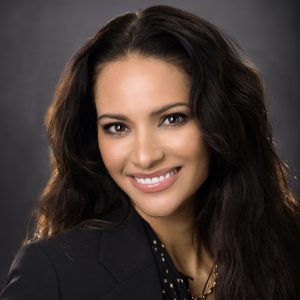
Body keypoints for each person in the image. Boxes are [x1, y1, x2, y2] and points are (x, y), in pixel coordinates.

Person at [1, 4, 299, 300]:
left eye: (172, 119)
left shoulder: (288, 247)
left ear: (221, 120)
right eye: (117, 127)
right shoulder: (54, 276)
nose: (145, 157)